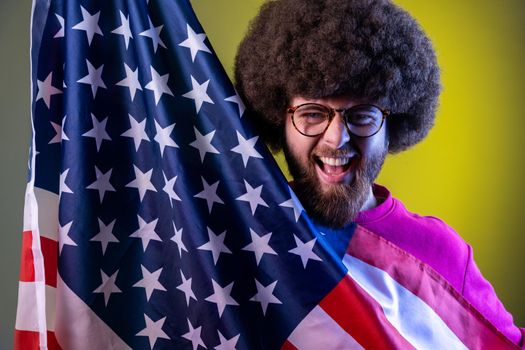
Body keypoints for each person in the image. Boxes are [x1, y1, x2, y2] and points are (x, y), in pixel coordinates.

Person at [233, 0, 524, 346]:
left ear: (393, 125)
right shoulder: (240, 228)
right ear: (279, 120)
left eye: (361, 115)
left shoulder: (440, 252)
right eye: (312, 113)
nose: (336, 138)